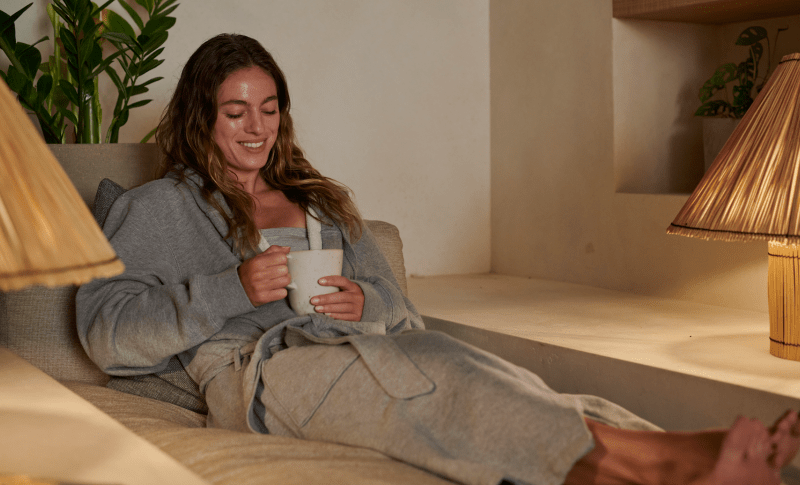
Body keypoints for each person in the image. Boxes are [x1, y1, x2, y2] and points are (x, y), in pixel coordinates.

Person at [76, 33, 800, 485]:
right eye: (236, 112)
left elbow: (400, 309)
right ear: (203, 116)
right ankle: (672, 463)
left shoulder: (322, 199)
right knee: (447, 374)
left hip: (357, 346)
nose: (256, 128)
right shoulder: (157, 209)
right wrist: (229, 288)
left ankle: (667, 454)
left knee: (475, 369)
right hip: (268, 375)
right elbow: (105, 333)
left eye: (269, 108)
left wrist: (371, 304)